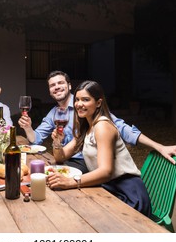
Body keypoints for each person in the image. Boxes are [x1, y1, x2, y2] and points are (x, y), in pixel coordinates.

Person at [18, 70, 176, 173]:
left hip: (91, 163)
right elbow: (37, 139)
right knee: (42, 172)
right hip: (69, 159)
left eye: (60, 83)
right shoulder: (54, 113)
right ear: (49, 91)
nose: (57, 87)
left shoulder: (87, 107)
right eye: (52, 85)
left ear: (69, 86)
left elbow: (123, 129)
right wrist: (28, 128)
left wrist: (159, 146)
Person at [47, 80, 151, 216]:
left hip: (127, 194)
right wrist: (57, 142)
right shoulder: (86, 128)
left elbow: (105, 171)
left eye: (85, 100)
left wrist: (70, 182)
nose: (79, 104)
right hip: (107, 188)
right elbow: (61, 156)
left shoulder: (102, 126)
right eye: (77, 100)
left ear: (98, 103)